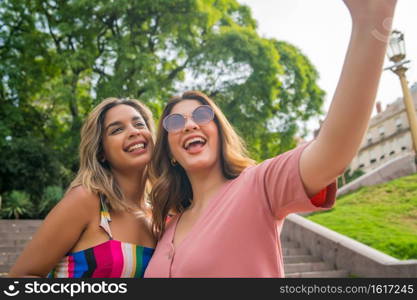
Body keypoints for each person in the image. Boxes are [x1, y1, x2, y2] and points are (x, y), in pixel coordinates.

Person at [144, 0, 398, 277]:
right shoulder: (168, 225)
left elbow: (333, 152)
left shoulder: (258, 185)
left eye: (202, 115)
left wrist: (372, 20)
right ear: (168, 150)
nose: (190, 125)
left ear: (220, 132)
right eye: (176, 122)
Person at [8, 97, 156, 278]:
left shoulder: (158, 218)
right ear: (101, 152)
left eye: (139, 124)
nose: (134, 132)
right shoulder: (86, 200)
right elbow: (20, 278)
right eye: (117, 130)